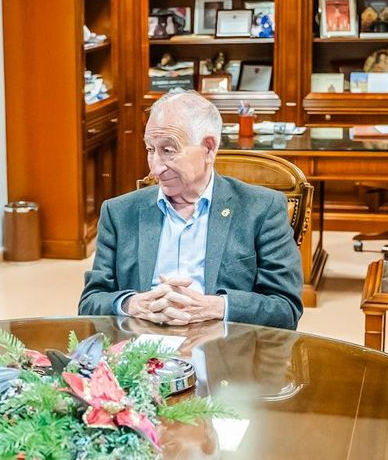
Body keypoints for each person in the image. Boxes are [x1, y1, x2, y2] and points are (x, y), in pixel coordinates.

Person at [78, 90, 303, 330]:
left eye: (168, 150)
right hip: (141, 355)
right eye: (150, 150)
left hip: (223, 353)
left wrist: (215, 307)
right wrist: (131, 304)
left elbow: (285, 308)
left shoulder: (260, 209)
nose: (156, 168)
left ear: (208, 148)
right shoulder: (120, 213)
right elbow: (90, 303)